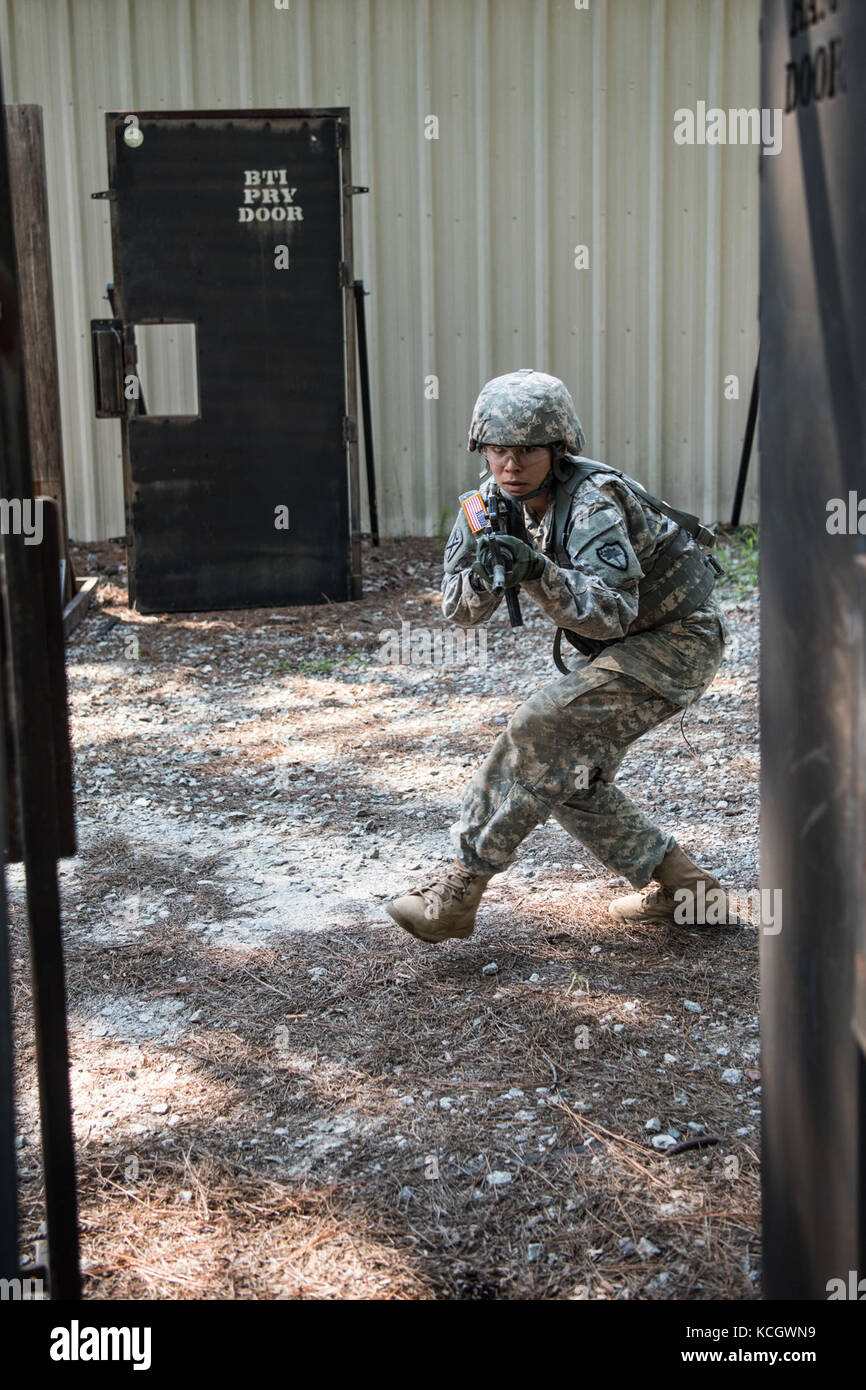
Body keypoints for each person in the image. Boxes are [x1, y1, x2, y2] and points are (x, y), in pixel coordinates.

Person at [385, 368, 730, 943]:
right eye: (498, 451)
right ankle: (692, 894)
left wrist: (537, 571)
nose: (510, 466)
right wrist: (490, 574)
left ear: (557, 449)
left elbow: (613, 611)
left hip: (676, 640)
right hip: (623, 647)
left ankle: (458, 891)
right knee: (566, 777)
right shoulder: (488, 506)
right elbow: (459, 611)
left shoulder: (592, 503)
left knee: (540, 728)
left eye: (526, 452)